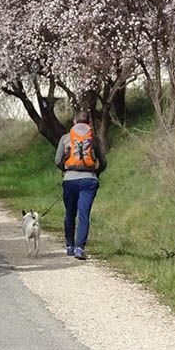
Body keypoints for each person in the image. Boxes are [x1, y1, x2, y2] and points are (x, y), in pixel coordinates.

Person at [54, 107, 107, 260]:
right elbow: (103, 162)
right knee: (84, 214)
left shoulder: (65, 138)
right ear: (89, 122)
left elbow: (57, 160)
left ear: (74, 121)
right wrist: (96, 173)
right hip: (89, 180)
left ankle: (69, 245)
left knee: (70, 213)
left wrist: (65, 170)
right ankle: (79, 248)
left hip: (69, 180)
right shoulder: (94, 138)